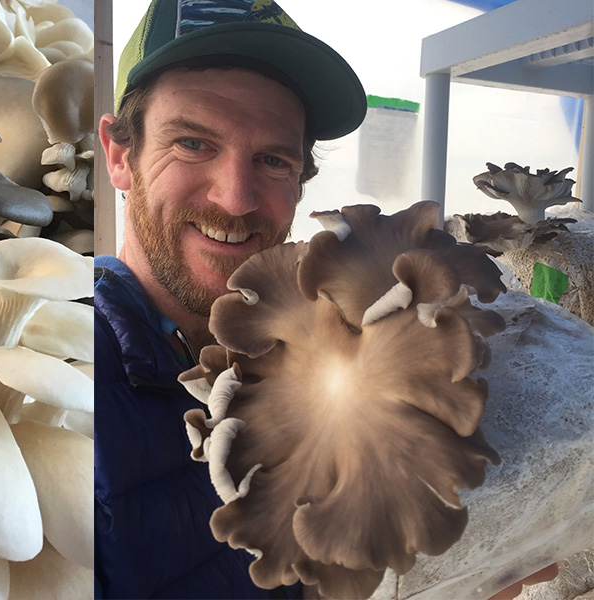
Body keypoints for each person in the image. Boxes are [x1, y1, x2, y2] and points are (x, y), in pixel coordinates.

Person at [93, 0, 559, 598]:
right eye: (192, 143)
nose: (236, 198)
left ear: (301, 180)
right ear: (118, 155)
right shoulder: (80, 380)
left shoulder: (321, 330)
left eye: (272, 159)